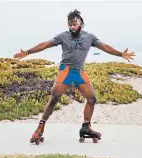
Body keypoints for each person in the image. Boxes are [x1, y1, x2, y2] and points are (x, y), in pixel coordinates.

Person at [13, 9, 135, 144]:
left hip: (79, 73)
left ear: (81, 23)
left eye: (74, 24)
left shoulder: (90, 37)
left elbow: (105, 47)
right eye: (70, 24)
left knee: (92, 99)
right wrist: (27, 52)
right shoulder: (62, 36)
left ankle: (85, 127)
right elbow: (44, 45)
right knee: (54, 98)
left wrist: (120, 54)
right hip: (65, 71)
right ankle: (40, 127)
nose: (72, 27)